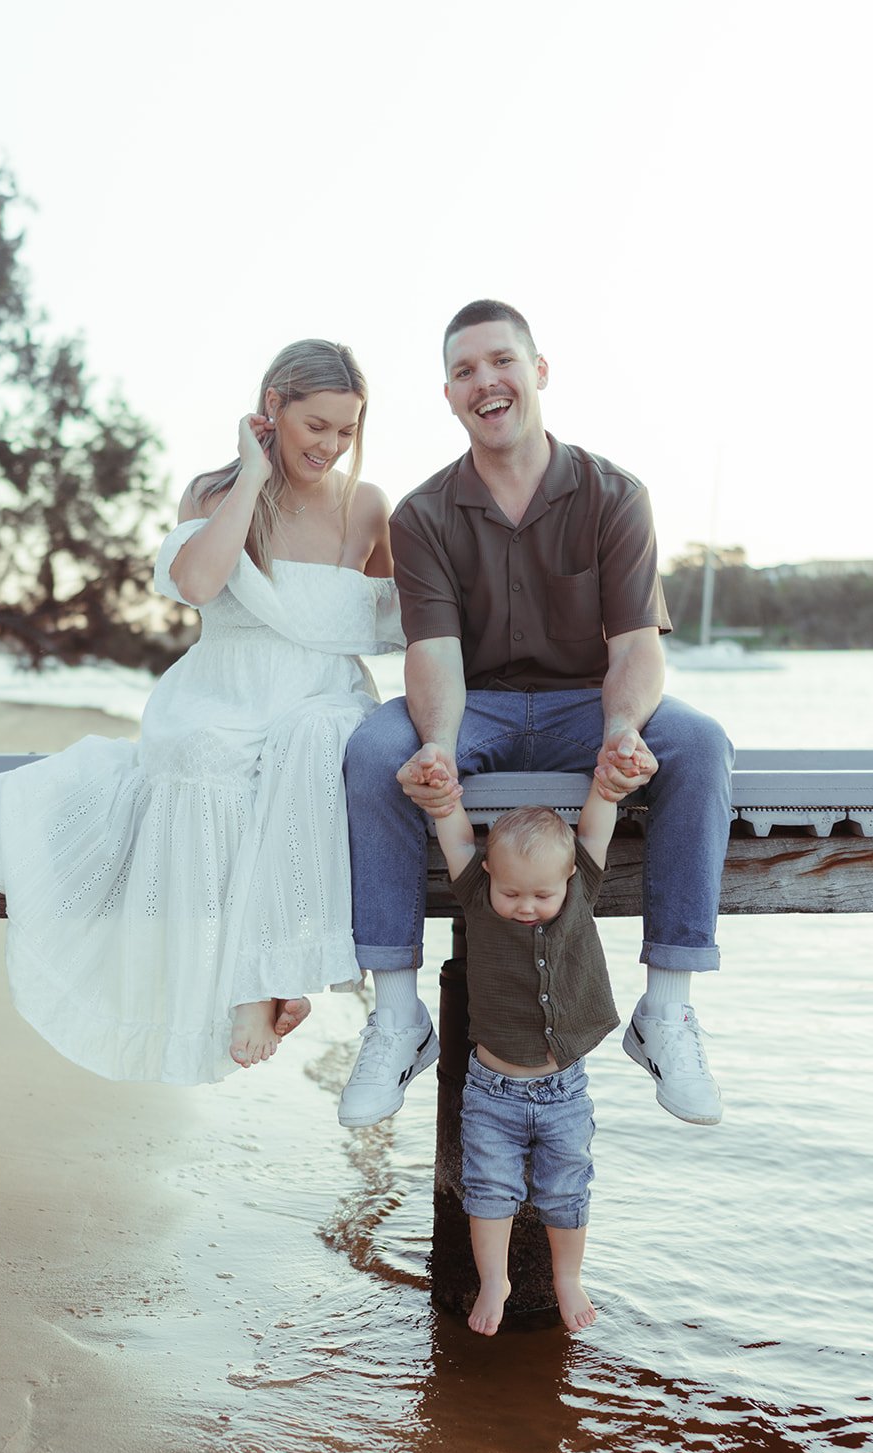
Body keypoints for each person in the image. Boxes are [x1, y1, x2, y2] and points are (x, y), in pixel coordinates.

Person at [0, 340, 403, 1085]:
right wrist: (252, 475)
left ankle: (263, 982)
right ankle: (262, 981)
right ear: (273, 406)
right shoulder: (212, 492)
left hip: (317, 692)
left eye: (347, 430)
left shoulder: (367, 504)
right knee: (197, 755)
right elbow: (195, 581)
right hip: (221, 685)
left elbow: (395, 617)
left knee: (304, 749)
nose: (331, 446)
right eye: (317, 425)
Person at [339, 300, 732, 1131]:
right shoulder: (421, 515)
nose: (485, 381)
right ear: (448, 397)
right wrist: (437, 748)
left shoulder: (614, 494)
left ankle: (665, 1011)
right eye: (463, 371)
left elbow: (634, 644)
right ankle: (397, 1015)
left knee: (696, 742)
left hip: (582, 705)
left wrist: (623, 730)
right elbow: (434, 653)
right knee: (376, 748)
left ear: (538, 370)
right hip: (471, 705)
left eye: (500, 361)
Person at [431, 779, 627, 1336]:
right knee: (488, 1189)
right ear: (489, 875)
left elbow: (593, 830)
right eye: (512, 893)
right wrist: (445, 802)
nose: (525, 907)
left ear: (569, 878)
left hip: (563, 1090)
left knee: (566, 1189)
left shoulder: (579, 888)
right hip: (491, 1092)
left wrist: (607, 787)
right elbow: (458, 841)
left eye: (541, 896)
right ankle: (495, 1279)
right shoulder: (477, 896)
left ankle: (567, 1277)